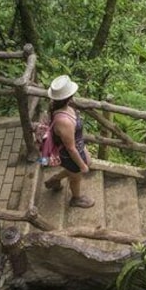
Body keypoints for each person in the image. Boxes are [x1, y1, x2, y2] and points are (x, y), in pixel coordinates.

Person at [42, 74, 95, 208]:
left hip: (77, 148)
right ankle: (76, 198)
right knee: (76, 177)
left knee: (85, 164)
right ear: (69, 96)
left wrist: (84, 153)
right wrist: (82, 166)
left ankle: (54, 180)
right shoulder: (63, 121)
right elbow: (70, 148)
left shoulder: (63, 107)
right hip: (70, 154)